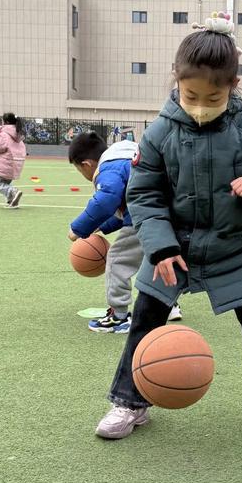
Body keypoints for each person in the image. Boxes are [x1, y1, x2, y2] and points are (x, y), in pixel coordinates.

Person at [94, 12, 242, 445]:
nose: (199, 106)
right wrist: (159, 248)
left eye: (211, 97)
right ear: (176, 80)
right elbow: (144, 195)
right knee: (145, 319)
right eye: (190, 94)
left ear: (232, 87)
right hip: (174, 249)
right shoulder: (158, 133)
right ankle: (130, 400)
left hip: (239, 248)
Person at [67, 132, 182, 334]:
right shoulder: (129, 158)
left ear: (86, 164)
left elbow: (106, 200)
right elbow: (125, 208)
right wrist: (101, 226)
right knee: (156, 259)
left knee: (118, 259)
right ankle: (167, 305)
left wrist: (78, 228)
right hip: (169, 215)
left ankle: (119, 315)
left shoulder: (109, 167)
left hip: (146, 217)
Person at [0, 113, 26, 208]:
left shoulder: (4, 134)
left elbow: (0, 147)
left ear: (6, 122)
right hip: (15, 164)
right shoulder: (17, 133)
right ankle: (12, 201)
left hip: (5, 163)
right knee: (6, 183)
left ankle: (13, 192)